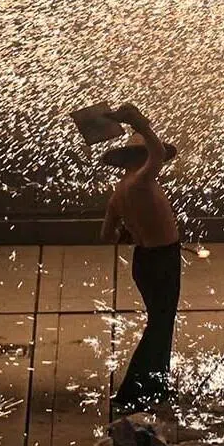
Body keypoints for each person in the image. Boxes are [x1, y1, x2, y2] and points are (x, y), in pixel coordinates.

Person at [99, 103, 180, 413]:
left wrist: (137, 233)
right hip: (161, 261)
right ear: (142, 158)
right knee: (160, 325)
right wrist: (138, 121)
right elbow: (159, 152)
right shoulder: (142, 180)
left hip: (146, 261)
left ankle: (155, 386)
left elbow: (106, 237)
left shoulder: (119, 192)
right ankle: (134, 391)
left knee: (161, 323)